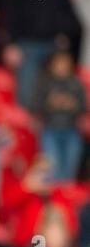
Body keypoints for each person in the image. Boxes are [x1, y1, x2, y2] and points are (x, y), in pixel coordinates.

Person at [35, 49, 87, 182]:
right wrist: (51, 104)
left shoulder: (76, 84)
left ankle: (65, 201)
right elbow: (36, 106)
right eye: (59, 64)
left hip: (71, 130)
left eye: (64, 65)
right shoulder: (45, 83)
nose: (61, 68)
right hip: (50, 130)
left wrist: (71, 105)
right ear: (52, 66)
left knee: (69, 172)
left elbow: (83, 108)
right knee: (52, 172)